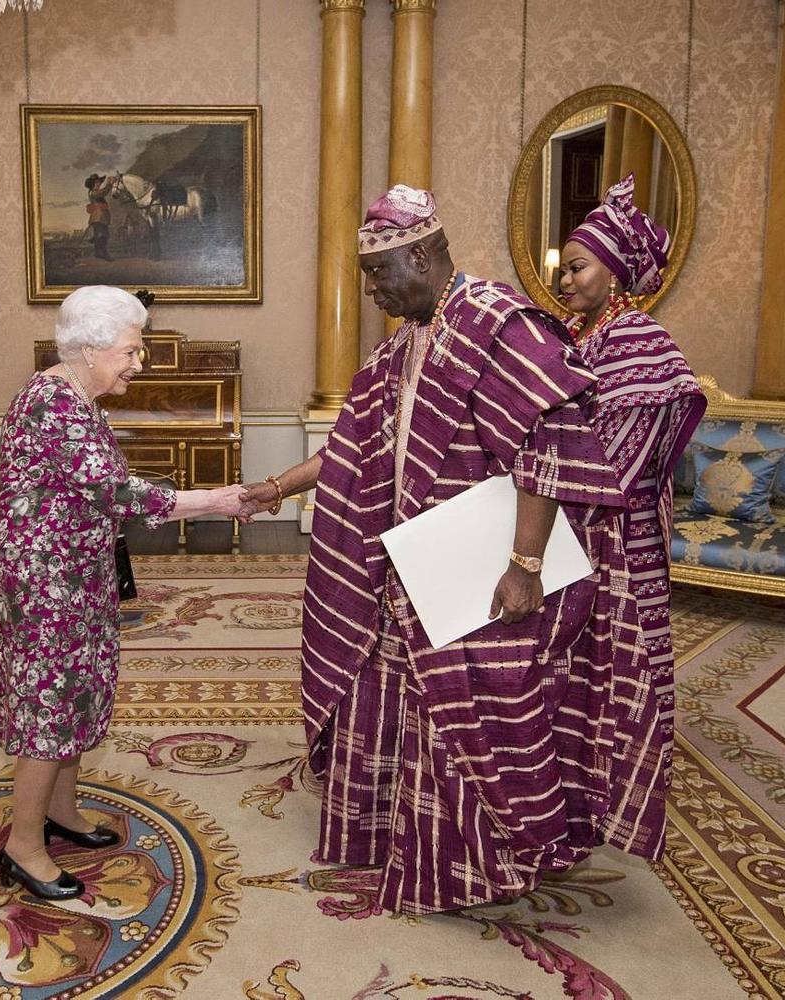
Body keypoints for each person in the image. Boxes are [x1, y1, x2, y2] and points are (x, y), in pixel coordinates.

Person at [244, 185, 666, 916]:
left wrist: (525, 567)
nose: (372, 290)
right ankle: (397, 843)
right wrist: (279, 487)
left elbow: (547, 447)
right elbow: (353, 447)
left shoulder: (498, 325)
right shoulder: (404, 341)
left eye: (380, 274)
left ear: (425, 254)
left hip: (483, 569)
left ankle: (479, 871)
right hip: (415, 565)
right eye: (366, 275)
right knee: (395, 700)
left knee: (478, 724)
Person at [0, 285, 247, 901]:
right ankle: (23, 846)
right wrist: (212, 500)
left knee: (76, 690)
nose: (138, 363)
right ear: (90, 348)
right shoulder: (53, 402)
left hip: (75, 570)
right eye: (130, 351)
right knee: (50, 703)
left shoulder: (76, 395)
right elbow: (115, 493)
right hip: (45, 580)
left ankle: (62, 811)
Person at [559, 173, 705, 776]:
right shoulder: (573, 337)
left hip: (620, 526)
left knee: (625, 643)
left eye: (577, 268)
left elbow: (621, 457)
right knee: (576, 646)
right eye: (563, 270)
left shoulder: (641, 341)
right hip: (568, 511)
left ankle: (631, 763)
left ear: (614, 270)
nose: (564, 280)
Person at [84, 173, 113, 260]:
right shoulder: (93, 193)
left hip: (101, 217)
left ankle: (98, 253)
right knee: (103, 235)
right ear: (92, 185)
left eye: (99, 182)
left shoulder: (95, 192)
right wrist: (109, 184)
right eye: (96, 183)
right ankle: (104, 254)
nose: (99, 184)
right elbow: (104, 192)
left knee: (100, 235)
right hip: (98, 217)